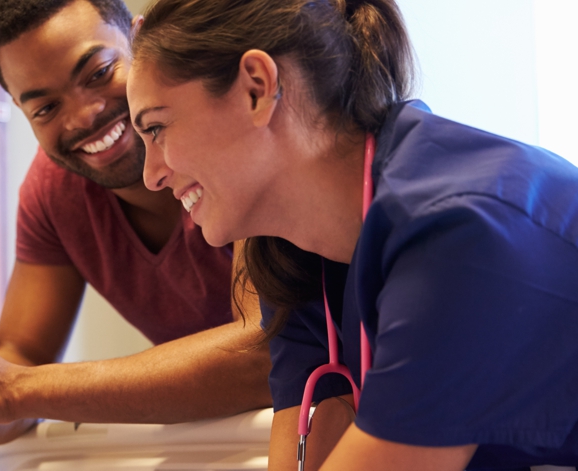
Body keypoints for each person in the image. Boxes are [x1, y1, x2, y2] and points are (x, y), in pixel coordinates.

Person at [128, 0, 578, 469]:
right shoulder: (297, 256)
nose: (151, 176)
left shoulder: (457, 234)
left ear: (256, 90)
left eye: (157, 128)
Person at [0, 0, 272, 470]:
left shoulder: (233, 132)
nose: (83, 116)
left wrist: (10, 390)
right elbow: (23, 355)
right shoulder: (55, 191)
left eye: (97, 73)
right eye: (46, 107)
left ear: (141, 42)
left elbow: (261, 352)